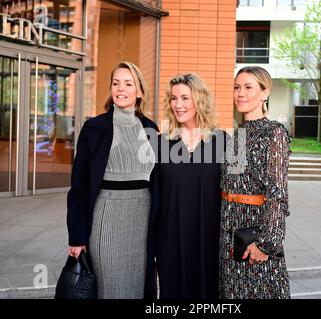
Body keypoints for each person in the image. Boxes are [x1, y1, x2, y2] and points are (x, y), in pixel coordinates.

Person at [66, 61, 158, 299]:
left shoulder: (151, 128)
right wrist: (76, 236)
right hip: (106, 216)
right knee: (108, 286)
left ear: (139, 91)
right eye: (116, 83)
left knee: (138, 287)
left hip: (141, 219)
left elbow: (159, 181)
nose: (121, 89)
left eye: (128, 83)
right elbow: (79, 187)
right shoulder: (94, 127)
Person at [145, 73, 227, 299]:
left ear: (199, 100)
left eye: (184, 98)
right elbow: (152, 196)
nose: (178, 105)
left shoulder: (223, 142)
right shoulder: (159, 143)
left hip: (210, 239)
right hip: (170, 238)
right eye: (173, 98)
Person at [219, 66, 291, 299]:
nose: (240, 93)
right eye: (237, 87)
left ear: (265, 93)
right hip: (228, 234)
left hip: (253, 236)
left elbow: (278, 192)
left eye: (248, 87)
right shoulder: (235, 135)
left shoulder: (274, 132)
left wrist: (266, 244)